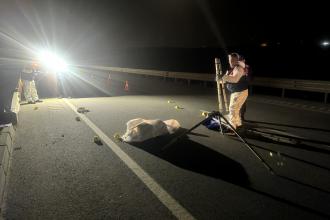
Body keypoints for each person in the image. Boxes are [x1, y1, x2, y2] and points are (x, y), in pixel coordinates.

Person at [221, 53, 249, 133]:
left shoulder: (239, 68)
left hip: (239, 92)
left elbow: (235, 79)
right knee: (236, 109)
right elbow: (229, 79)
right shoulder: (235, 68)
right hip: (239, 91)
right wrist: (221, 79)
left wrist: (223, 77)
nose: (230, 62)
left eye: (233, 60)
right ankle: (238, 125)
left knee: (232, 109)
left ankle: (232, 129)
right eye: (230, 60)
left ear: (237, 60)